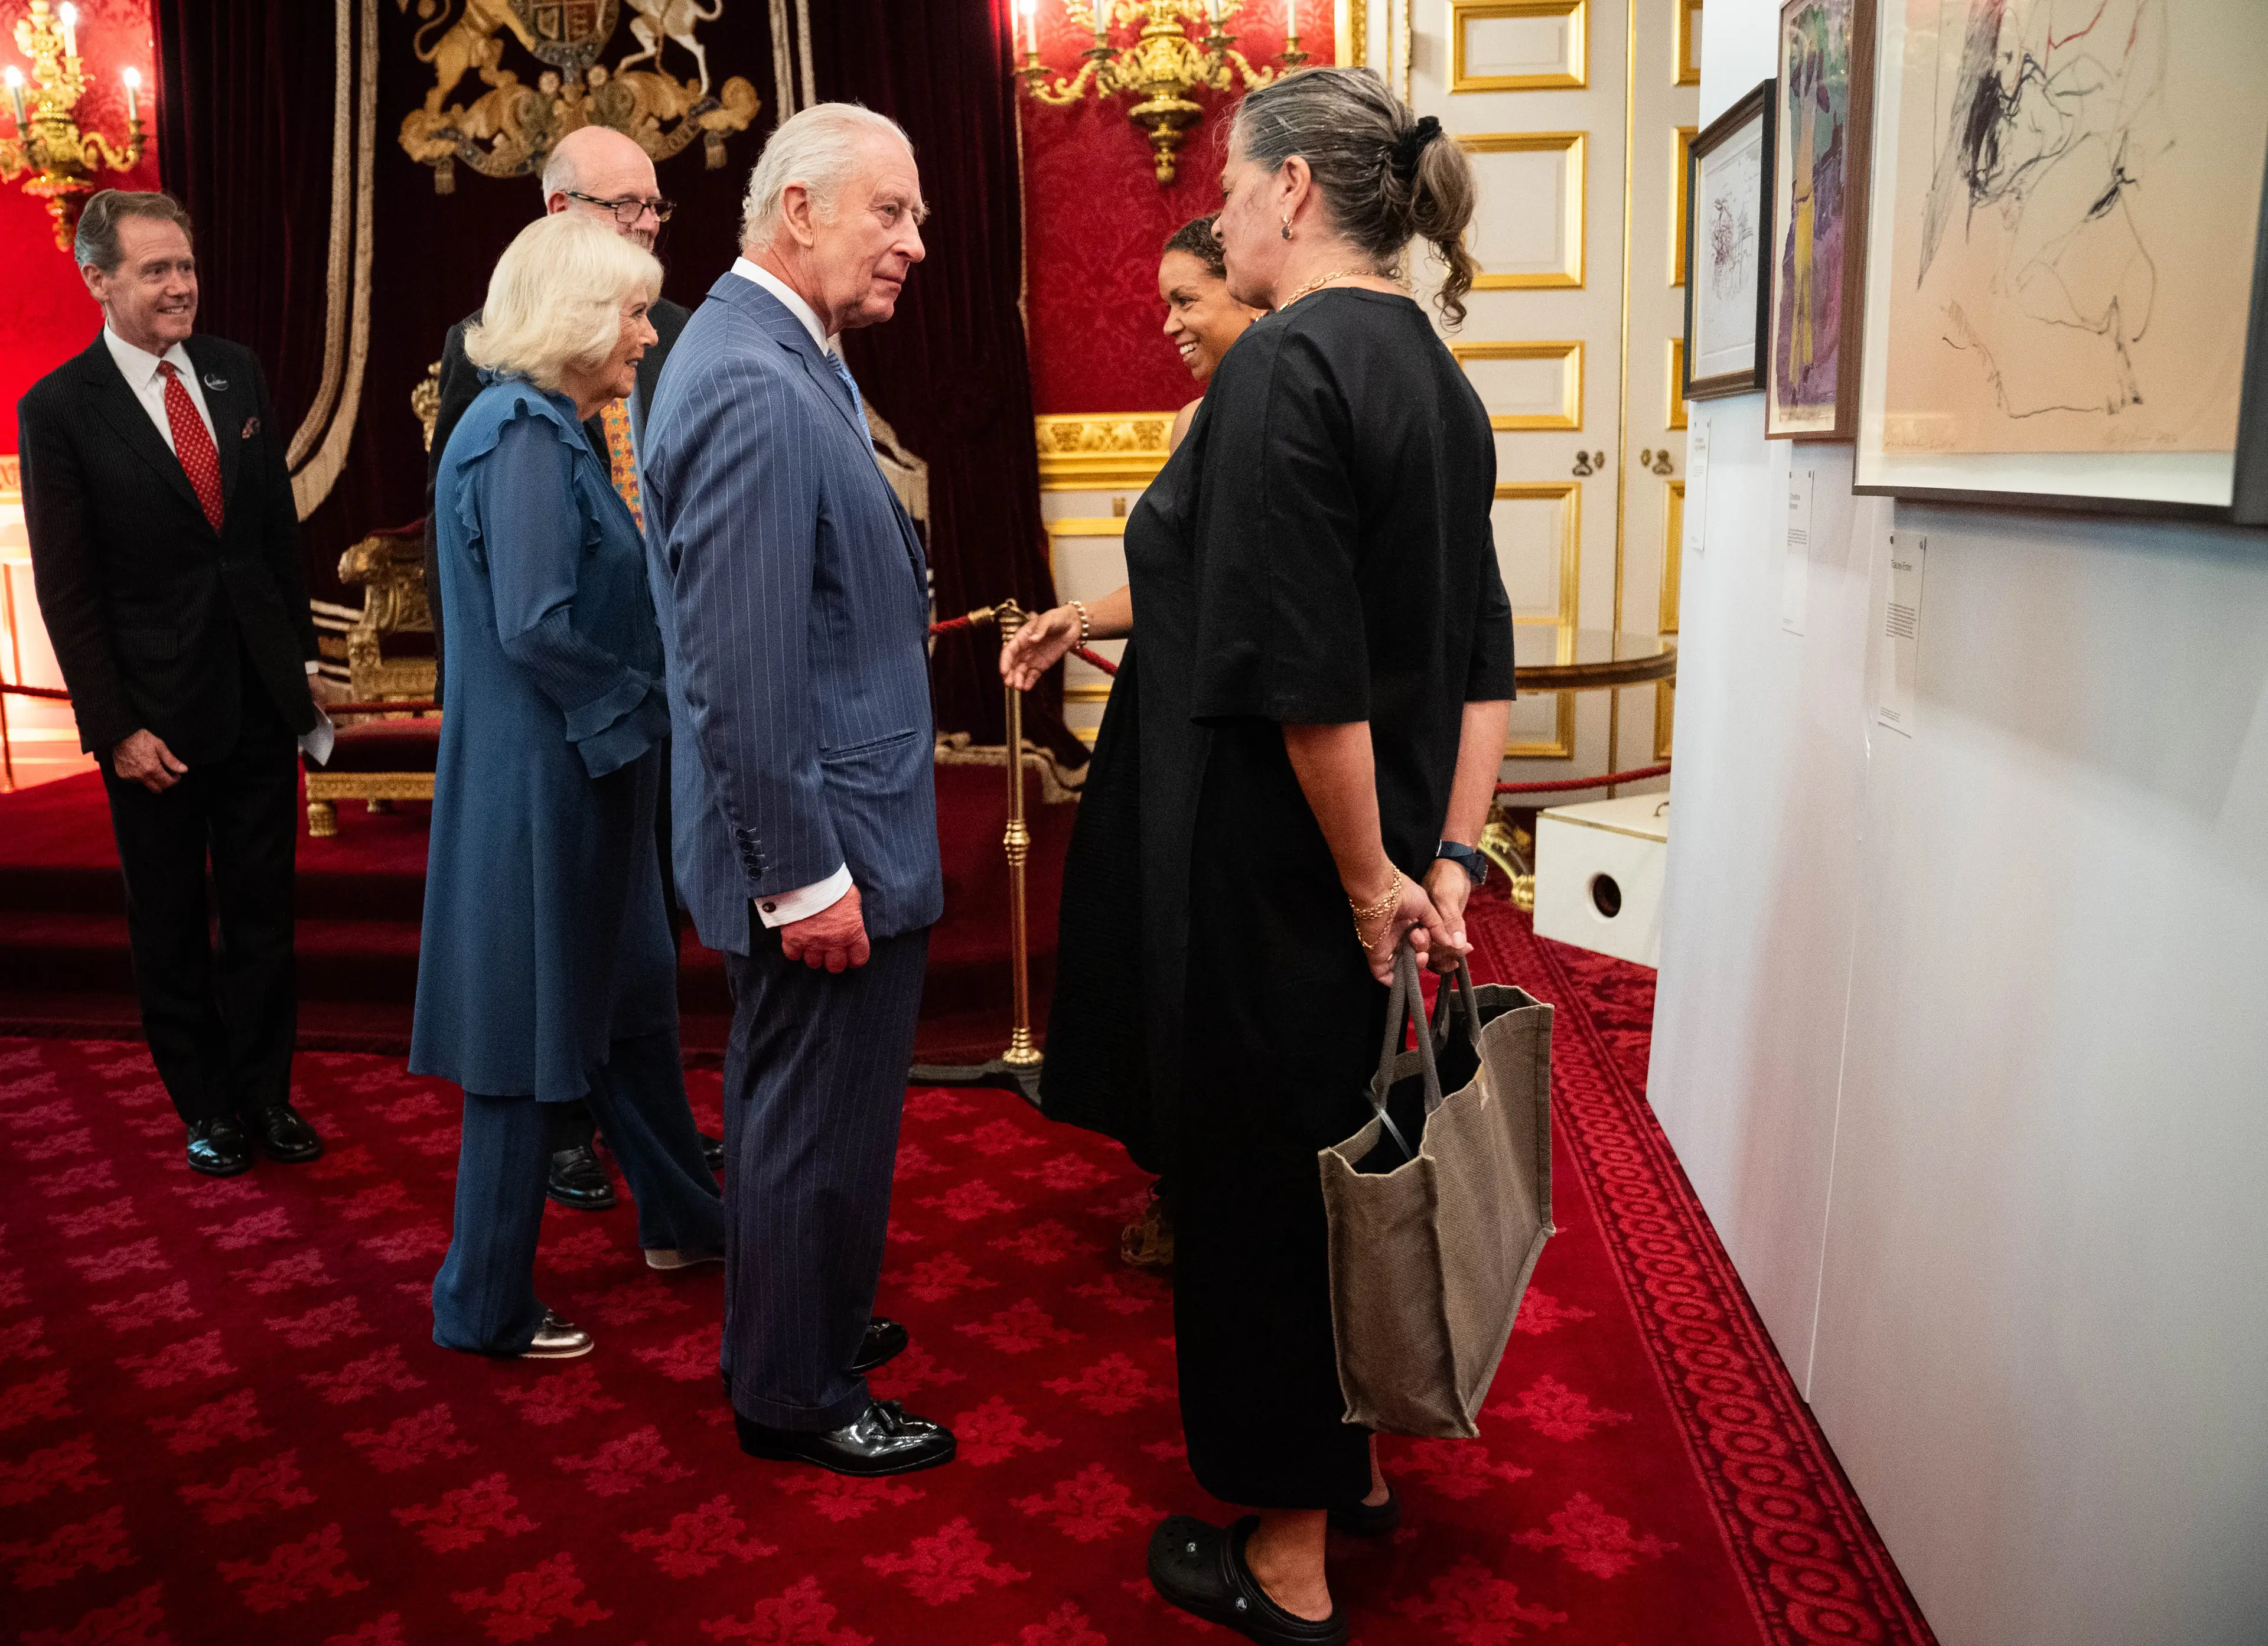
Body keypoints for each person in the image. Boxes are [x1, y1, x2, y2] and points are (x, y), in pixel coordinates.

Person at [1000, 67, 1513, 1645]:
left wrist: (1366, 884)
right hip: (1380, 863)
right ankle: (1355, 1470)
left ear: (1294, 190)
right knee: (1358, 1169)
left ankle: (1288, 1561)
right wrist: (1447, 860)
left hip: (1287, 880)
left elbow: (1307, 683)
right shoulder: (1439, 377)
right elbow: (1484, 663)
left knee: (1273, 1195)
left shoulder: (1289, 363)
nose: (1219, 219)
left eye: (1231, 188)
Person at [642, 103, 951, 1476]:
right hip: (825, 853)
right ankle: (796, 1390)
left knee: (810, 1112)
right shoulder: (752, 380)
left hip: (841, 826)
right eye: (891, 210)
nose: (915, 242)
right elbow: (740, 667)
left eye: (918, 215)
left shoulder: (782, 350)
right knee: (810, 1122)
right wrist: (806, 876)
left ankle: (803, 1319)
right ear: (801, 210)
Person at [412, 211, 725, 1363]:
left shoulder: (551, 425)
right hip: (541, 788)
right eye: (634, 313)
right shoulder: (523, 436)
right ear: (579, 320)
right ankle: (480, 1301)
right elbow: (537, 628)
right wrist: (656, 707)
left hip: (589, 772)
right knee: (524, 1041)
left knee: (630, 1006)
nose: (648, 334)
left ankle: (686, 1220)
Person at [18, 189, 328, 1179]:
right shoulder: (59, 410)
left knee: (264, 917)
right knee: (169, 925)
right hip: (152, 721)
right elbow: (68, 589)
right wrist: (113, 726)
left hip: (257, 700)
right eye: (156, 270)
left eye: (185, 266)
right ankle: (207, 1105)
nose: (181, 285)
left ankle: (267, 1092)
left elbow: (272, 535)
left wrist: (299, 668)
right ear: (97, 280)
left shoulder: (235, 371)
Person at [1056, 213, 1263, 1275]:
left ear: (1248, 291)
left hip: (1224, 734)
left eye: (1188, 299)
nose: (1171, 323)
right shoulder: (1192, 418)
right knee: (1146, 945)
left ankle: (1216, 1199)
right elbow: (1170, 585)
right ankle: (1182, 1174)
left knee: (1208, 964)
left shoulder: (1274, 415)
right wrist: (1073, 619)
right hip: (1157, 721)